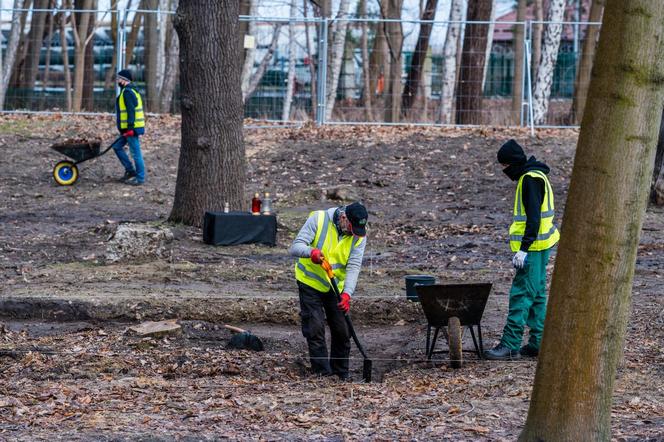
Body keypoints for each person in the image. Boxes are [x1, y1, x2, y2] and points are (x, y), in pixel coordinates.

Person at [485, 139, 560, 360]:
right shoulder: (538, 175)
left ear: (514, 163)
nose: (505, 172)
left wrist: (523, 249)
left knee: (521, 294)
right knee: (537, 294)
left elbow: (534, 219)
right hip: (542, 245)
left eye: (505, 167)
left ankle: (510, 345)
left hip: (533, 247)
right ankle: (538, 342)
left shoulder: (529, 180)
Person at [289, 202, 368, 379]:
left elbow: (354, 266)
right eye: (351, 228)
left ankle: (340, 375)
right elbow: (295, 247)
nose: (353, 233)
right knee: (315, 328)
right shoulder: (318, 219)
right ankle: (323, 375)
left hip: (335, 288)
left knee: (342, 331)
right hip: (310, 283)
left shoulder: (359, 235)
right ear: (343, 218)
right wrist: (312, 252)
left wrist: (347, 293)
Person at [112, 69, 146, 186]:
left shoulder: (127, 92)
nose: (117, 80)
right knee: (117, 147)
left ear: (124, 80)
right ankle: (130, 171)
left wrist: (131, 128)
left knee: (136, 153)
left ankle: (140, 178)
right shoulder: (129, 90)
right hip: (128, 129)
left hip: (132, 129)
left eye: (119, 78)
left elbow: (131, 112)